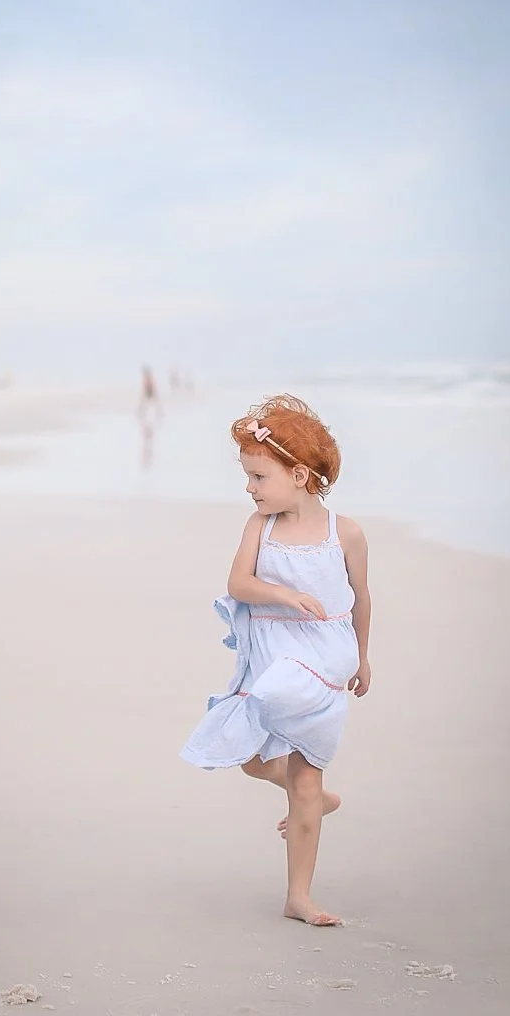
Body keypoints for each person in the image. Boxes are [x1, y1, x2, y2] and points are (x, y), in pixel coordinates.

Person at [180, 394, 371, 927]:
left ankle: (299, 896)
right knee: (251, 759)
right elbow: (238, 583)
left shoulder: (345, 534)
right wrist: (285, 596)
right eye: (248, 477)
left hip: (326, 658)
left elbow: (362, 597)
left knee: (305, 778)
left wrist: (364, 656)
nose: (249, 488)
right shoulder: (259, 528)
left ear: (301, 475)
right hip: (273, 653)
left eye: (258, 477)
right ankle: (317, 796)